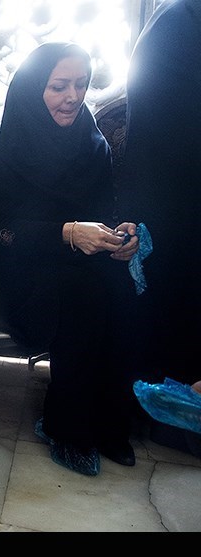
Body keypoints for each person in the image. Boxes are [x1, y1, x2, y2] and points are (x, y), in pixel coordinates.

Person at [0, 42, 144, 477]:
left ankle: (109, 420)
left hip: (74, 266)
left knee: (123, 287)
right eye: (59, 86)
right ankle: (66, 426)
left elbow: (102, 213)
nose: (73, 97)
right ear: (33, 88)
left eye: (81, 85)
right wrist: (65, 232)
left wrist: (118, 236)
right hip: (9, 277)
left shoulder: (92, 144)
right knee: (82, 293)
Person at [116, 0, 201, 456]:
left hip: (176, 195)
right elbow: (168, 126)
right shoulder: (177, 25)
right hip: (172, 197)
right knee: (172, 303)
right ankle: (169, 418)